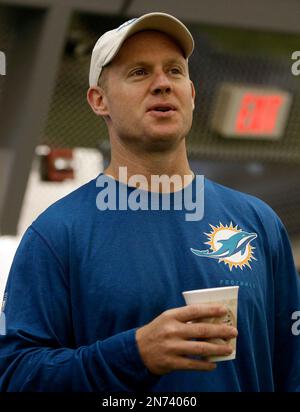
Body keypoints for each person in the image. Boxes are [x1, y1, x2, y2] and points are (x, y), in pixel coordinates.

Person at [0, 12, 299, 392]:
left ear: (191, 94)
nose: (162, 84)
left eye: (174, 71)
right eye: (139, 73)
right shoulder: (57, 234)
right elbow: (15, 375)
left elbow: (292, 369)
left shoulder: (258, 222)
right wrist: (134, 354)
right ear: (99, 100)